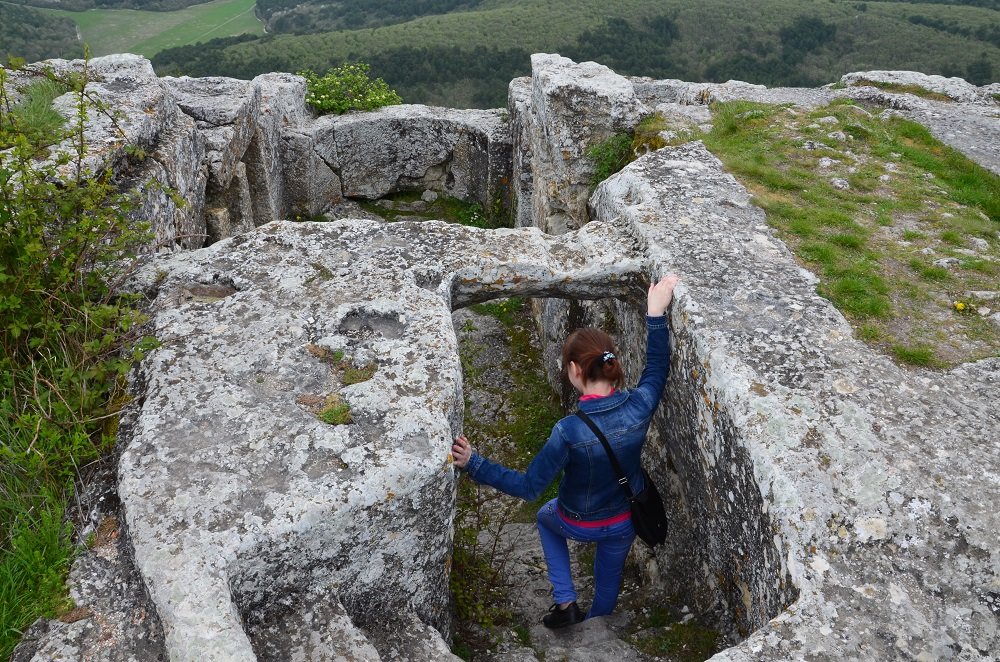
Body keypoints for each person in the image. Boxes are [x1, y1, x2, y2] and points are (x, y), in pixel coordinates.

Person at [451, 274, 679, 629]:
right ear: (611, 364)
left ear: (574, 370)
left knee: (545, 516)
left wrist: (474, 463)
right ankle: (599, 622)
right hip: (624, 521)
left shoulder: (568, 431)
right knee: (609, 575)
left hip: (576, 520)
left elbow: (529, 486)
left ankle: (566, 602)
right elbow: (657, 368)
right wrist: (655, 313)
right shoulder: (640, 406)